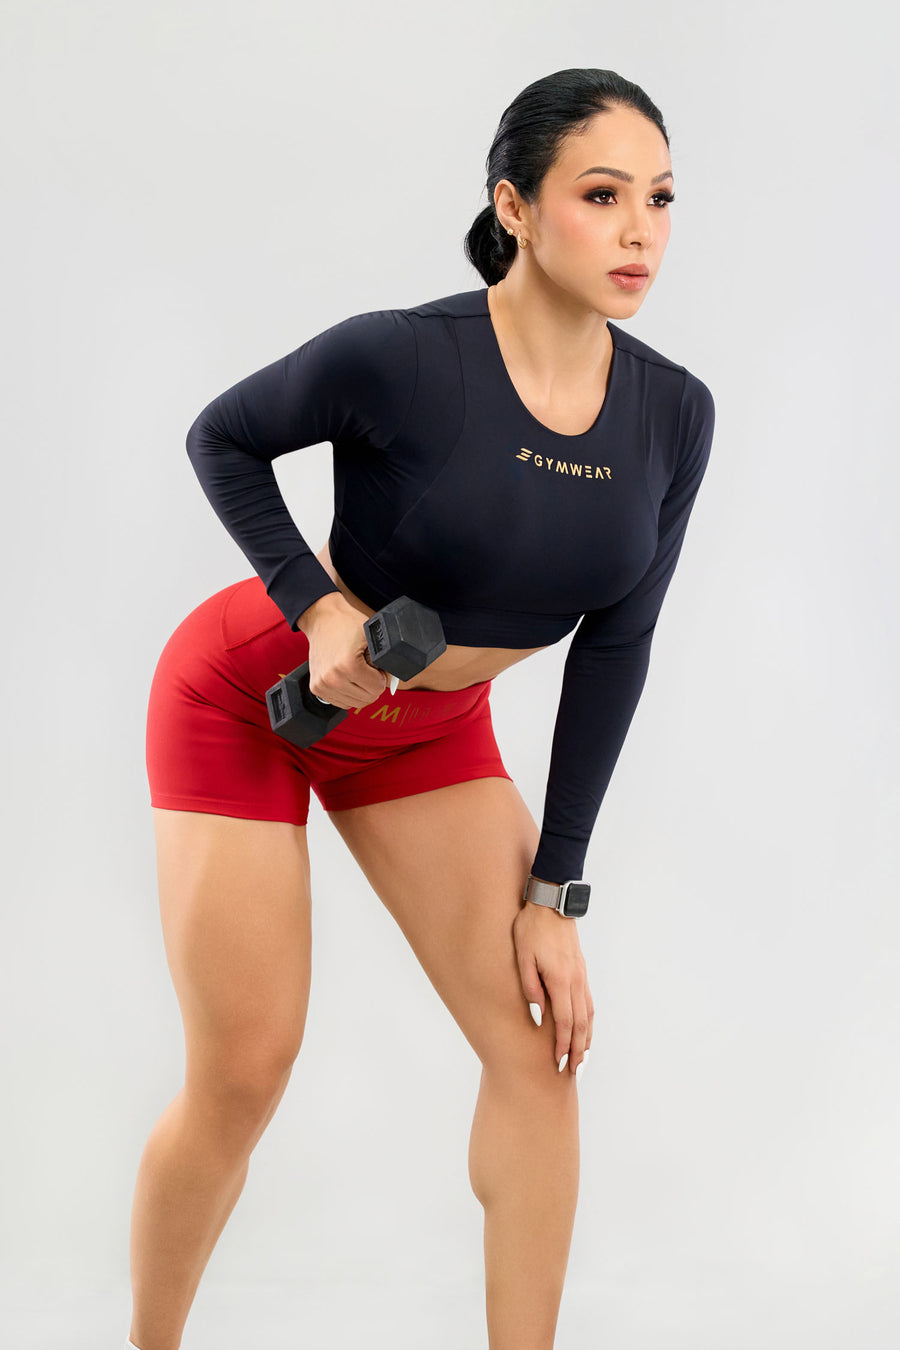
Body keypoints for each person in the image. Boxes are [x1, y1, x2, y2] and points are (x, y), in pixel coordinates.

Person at [128, 66, 715, 1350]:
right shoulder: (402, 356)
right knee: (245, 1070)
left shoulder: (674, 413)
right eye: (601, 195)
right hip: (253, 699)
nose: (639, 231)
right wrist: (316, 606)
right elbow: (223, 435)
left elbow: (620, 645)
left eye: (661, 199)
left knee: (540, 1050)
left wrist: (555, 893)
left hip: (431, 731)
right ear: (514, 206)